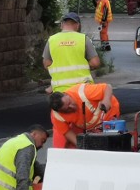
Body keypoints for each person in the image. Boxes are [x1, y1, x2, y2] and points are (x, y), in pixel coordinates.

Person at [43, 11, 100, 147]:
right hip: (82, 95)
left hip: (60, 95)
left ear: (62, 25)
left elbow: (46, 64)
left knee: (61, 128)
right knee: (86, 126)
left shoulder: (52, 40)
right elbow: (95, 63)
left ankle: (61, 158)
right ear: (77, 25)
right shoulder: (82, 39)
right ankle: (88, 153)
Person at [0, 124, 48, 190]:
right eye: (42, 140)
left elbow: (34, 166)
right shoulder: (28, 147)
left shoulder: (19, 141)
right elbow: (23, 171)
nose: (42, 145)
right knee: (45, 189)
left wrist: (50, 170)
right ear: (34, 134)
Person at [49, 82, 120, 149]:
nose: (72, 107)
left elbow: (108, 87)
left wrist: (106, 100)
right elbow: (67, 133)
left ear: (66, 94)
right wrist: (82, 146)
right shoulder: (57, 116)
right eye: (67, 109)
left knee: (112, 143)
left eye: (69, 102)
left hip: (108, 114)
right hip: (88, 125)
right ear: (60, 111)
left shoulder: (83, 92)